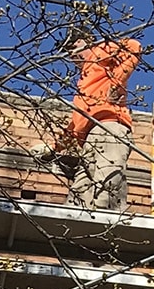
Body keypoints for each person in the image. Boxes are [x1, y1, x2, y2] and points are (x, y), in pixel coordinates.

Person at [59, 37, 141, 212]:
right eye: (68, 53)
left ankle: (108, 222)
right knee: (79, 195)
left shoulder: (99, 52)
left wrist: (116, 84)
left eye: (73, 47)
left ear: (85, 41)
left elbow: (133, 46)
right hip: (90, 139)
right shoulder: (84, 86)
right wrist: (54, 148)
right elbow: (75, 126)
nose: (72, 56)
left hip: (109, 128)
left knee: (106, 187)